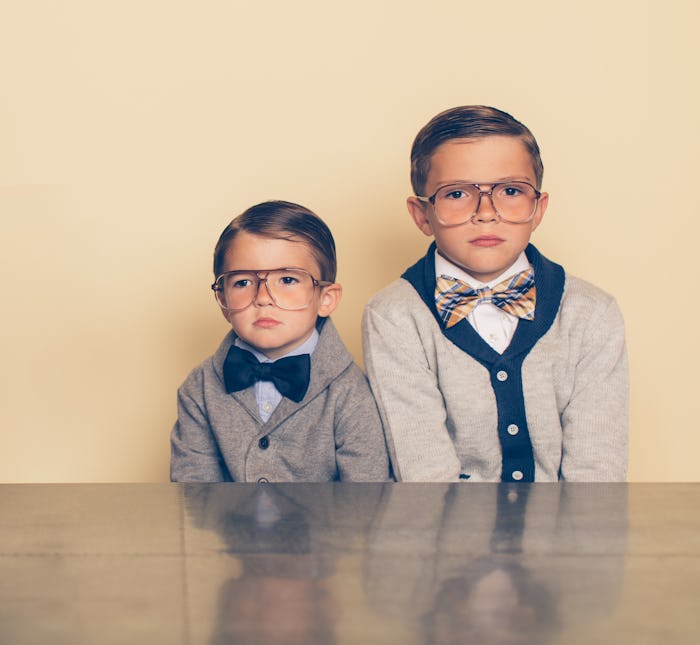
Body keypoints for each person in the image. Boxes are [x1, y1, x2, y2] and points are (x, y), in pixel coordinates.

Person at [362, 106, 628, 482]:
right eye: (456, 193)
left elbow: (598, 476)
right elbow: (425, 475)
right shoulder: (393, 316)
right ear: (422, 215)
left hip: (566, 536)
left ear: (538, 208)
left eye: (510, 191)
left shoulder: (592, 314)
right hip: (445, 536)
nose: (486, 212)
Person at [171, 200, 389, 482]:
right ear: (222, 300)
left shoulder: (352, 395)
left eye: (287, 279)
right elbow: (193, 494)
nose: (263, 298)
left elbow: (366, 499)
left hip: (330, 527)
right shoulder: (199, 388)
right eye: (243, 282)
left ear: (325, 299)